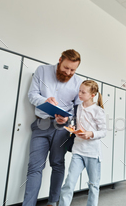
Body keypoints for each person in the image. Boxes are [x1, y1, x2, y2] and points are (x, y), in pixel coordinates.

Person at [23, 49, 83, 206]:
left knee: (57, 164)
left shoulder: (77, 82)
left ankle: (53, 202)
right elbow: (32, 95)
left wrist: (68, 118)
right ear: (60, 60)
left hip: (62, 128)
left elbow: (78, 110)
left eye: (73, 69)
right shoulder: (42, 71)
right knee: (34, 166)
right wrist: (45, 101)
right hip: (41, 124)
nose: (69, 72)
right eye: (66, 67)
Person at [59, 80, 106, 206]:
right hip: (78, 151)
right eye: (79, 90)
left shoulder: (98, 110)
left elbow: (103, 132)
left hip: (93, 154)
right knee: (69, 182)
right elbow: (76, 123)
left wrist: (91, 134)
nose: (79, 93)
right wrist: (72, 128)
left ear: (92, 95)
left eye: (83, 92)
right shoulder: (77, 107)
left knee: (93, 185)